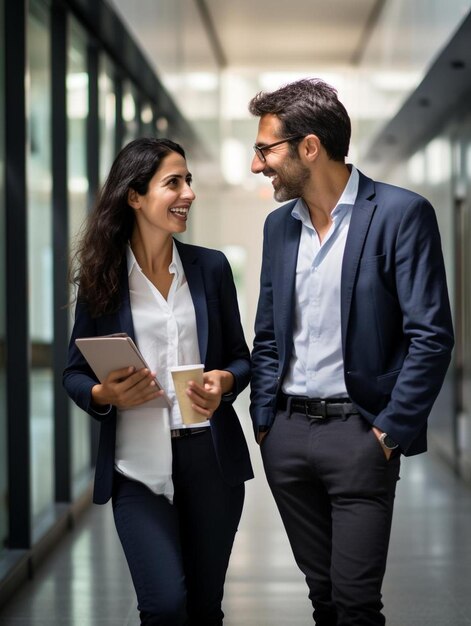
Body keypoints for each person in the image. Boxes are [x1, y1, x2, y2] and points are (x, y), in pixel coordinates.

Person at [248, 78, 454, 626]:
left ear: (308, 148)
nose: (256, 165)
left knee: (357, 603)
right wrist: (265, 421)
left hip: (361, 434)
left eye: (265, 149)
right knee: (325, 601)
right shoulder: (278, 228)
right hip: (287, 438)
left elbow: (431, 335)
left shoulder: (400, 213)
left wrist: (388, 433)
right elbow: (268, 333)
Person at [63, 137, 253, 626]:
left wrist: (223, 381)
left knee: (204, 609)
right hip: (137, 469)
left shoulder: (210, 268)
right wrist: (105, 394)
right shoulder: (103, 278)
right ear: (134, 196)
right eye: (174, 182)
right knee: (165, 605)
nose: (188, 192)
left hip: (210, 462)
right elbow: (73, 373)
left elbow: (241, 358)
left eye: (188, 180)